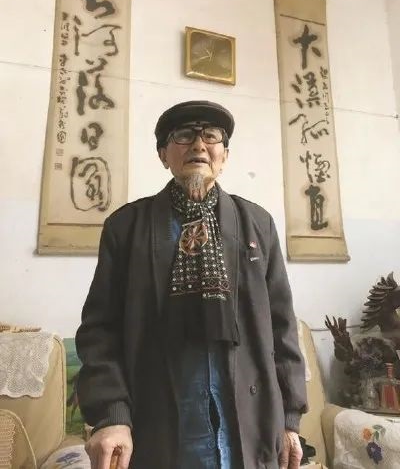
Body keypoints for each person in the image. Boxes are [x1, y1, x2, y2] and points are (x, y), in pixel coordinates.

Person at [76, 100, 307, 469]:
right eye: (183, 135)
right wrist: (111, 415)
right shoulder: (126, 227)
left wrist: (290, 417)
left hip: (248, 426)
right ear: (163, 155)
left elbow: (282, 325)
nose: (199, 145)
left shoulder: (257, 224)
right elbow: (100, 330)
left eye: (211, 136)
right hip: (160, 423)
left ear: (224, 155)